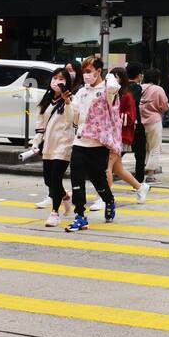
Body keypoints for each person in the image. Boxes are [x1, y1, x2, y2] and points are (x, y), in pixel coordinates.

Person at [65, 57, 119, 231]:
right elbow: (72, 117)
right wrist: (67, 103)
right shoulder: (81, 92)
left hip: (99, 145)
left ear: (98, 71)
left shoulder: (107, 91)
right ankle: (80, 215)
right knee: (76, 179)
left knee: (98, 180)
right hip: (80, 142)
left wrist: (109, 75)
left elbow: (113, 86)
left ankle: (109, 200)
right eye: (84, 72)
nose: (86, 75)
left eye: (89, 71)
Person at [33, 65, 76, 227]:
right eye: (55, 78)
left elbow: (72, 119)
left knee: (56, 178)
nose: (57, 81)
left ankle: (54, 212)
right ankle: (65, 196)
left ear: (67, 82)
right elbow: (40, 124)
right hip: (48, 146)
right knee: (48, 181)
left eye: (61, 79)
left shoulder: (71, 100)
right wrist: (36, 142)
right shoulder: (46, 101)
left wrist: (67, 101)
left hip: (64, 145)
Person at [105, 67, 150, 204]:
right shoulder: (111, 94)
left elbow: (130, 117)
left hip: (119, 136)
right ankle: (140, 187)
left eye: (113, 76)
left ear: (119, 77)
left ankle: (104, 198)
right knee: (118, 169)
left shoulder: (126, 95)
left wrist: (112, 117)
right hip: (109, 136)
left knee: (106, 167)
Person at [139, 67, 169, 184]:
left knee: (143, 148)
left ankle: (140, 172)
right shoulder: (158, 89)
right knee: (154, 148)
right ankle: (150, 175)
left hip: (140, 121)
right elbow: (165, 106)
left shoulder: (140, 88)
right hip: (154, 121)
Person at [124, 62, 148, 184]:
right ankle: (139, 181)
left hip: (122, 123)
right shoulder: (136, 87)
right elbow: (133, 102)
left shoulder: (121, 86)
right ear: (139, 75)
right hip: (135, 123)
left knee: (119, 152)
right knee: (140, 154)